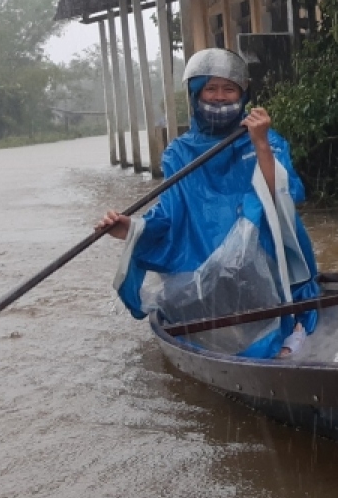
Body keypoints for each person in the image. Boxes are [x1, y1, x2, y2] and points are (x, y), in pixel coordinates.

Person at [97, 48, 320, 359]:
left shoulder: (266, 139)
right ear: (195, 94)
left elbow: (280, 195)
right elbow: (171, 214)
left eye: (229, 89)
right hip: (202, 256)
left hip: (262, 253)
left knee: (264, 222)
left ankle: (284, 328)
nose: (219, 97)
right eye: (210, 89)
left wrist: (260, 143)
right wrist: (129, 227)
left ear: (243, 95)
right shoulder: (179, 153)